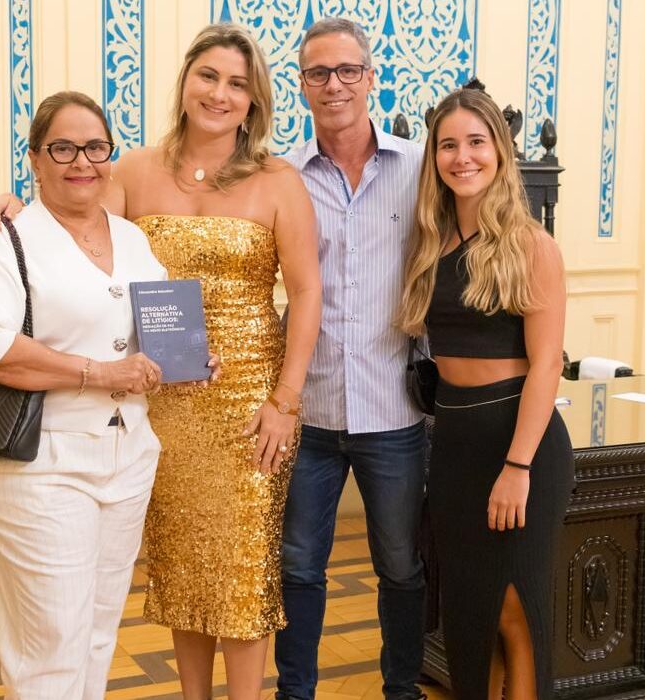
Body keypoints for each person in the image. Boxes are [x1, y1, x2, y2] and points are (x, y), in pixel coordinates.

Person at [0, 24, 322, 699]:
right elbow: (72, 231)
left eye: (238, 84)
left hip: (251, 406)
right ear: (185, 81)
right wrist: (12, 204)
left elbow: (307, 294)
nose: (220, 93)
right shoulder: (131, 169)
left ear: (255, 102)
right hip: (154, 401)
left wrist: (285, 401)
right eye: (209, 76)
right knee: (184, 568)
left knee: (244, 572)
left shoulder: (278, 181)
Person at [0, 90, 216, 699]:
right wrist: (98, 374)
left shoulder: (131, 238)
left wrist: (185, 360)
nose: (82, 162)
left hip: (127, 456)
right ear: (36, 159)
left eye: (96, 147)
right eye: (63, 147)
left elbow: (148, 332)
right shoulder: (5, 238)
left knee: (98, 630)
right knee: (50, 637)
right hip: (37, 462)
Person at [396, 83, 574, 700]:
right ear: (434, 158)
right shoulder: (430, 244)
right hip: (454, 445)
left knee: (514, 609)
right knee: (469, 613)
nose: (462, 156)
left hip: (518, 444)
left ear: (499, 151)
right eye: (448, 145)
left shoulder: (530, 245)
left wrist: (518, 466)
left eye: (476, 142)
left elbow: (547, 364)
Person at [276, 18, 428, 700]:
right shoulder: (281, 178)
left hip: (394, 409)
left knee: (399, 566)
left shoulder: (422, 168)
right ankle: (295, 692)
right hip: (305, 408)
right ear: (302, 86)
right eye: (317, 73)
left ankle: (402, 689)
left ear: (370, 78)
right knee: (299, 565)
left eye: (346, 71)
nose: (333, 85)